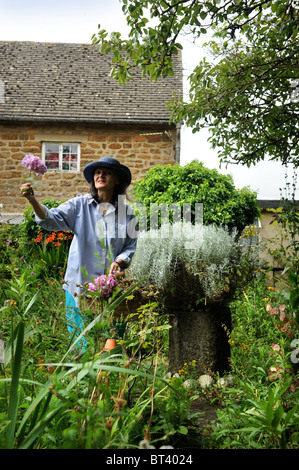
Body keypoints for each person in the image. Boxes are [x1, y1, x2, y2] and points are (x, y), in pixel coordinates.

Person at [20, 156, 137, 348]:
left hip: (112, 288)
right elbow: (50, 219)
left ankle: (108, 377)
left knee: (112, 344)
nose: (101, 175)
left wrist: (120, 261)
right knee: (82, 345)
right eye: (98, 172)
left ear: (117, 180)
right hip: (79, 287)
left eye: (107, 172)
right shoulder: (79, 205)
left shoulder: (127, 213)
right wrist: (32, 200)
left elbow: (130, 245)